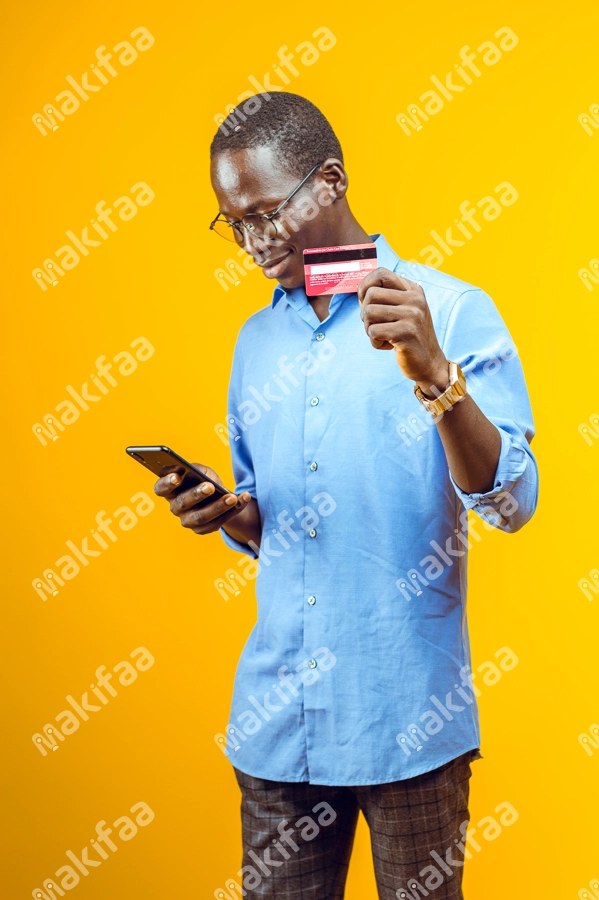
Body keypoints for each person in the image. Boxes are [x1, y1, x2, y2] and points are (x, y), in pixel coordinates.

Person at [154, 93, 538, 900]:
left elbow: (512, 504)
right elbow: (273, 522)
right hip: (276, 726)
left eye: (266, 214)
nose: (253, 243)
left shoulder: (450, 311)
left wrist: (437, 377)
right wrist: (230, 514)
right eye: (235, 223)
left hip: (406, 722)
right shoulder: (255, 341)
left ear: (329, 182)